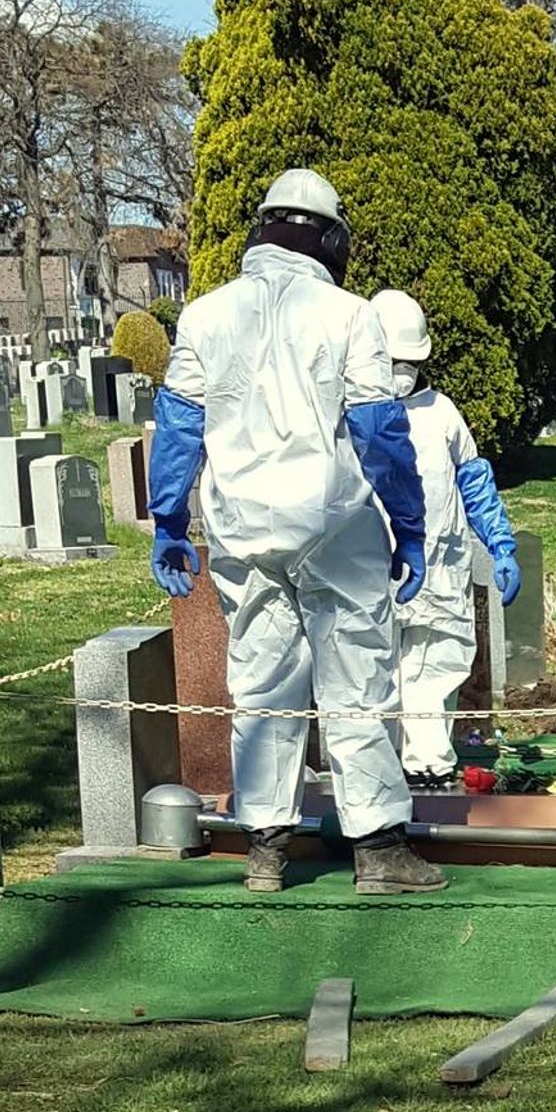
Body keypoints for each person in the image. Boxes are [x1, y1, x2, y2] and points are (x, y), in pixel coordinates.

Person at [147, 167, 449, 898]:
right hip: (333, 523)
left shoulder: (205, 316)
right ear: (330, 238)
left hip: (244, 527)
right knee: (357, 682)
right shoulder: (349, 315)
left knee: (261, 682)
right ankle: (377, 851)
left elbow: (180, 425)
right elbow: (379, 435)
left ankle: (266, 851)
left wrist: (167, 520)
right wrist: (409, 527)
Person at [368, 290, 521, 791]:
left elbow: (473, 481)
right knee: (374, 668)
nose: (402, 372)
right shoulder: (350, 416)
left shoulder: (442, 413)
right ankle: (376, 765)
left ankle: (429, 764)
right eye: (393, 361)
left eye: (409, 362)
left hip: (440, 567)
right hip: (373, 566)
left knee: (436, 665)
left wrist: (500, 544)